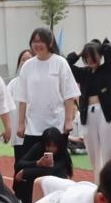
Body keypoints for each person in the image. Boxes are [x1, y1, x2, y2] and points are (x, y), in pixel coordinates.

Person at [15, 28, 79, 165]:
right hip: (33, 126)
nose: (38, 44)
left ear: (50, 42)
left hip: (56, 125)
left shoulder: (60, 62)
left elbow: (69, 95)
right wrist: (21, 124)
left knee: (56, 165)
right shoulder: (27, 66)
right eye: (35, 41)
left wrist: (68, 121)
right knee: (32, 164)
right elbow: (22, 98)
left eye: (41, 41)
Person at [76, 39, 111, 177]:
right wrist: (79, 53)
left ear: (100, 55)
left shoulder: (108, 68)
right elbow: (67, 64)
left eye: (93, 56)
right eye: (87, 57)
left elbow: (110, 50)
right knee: (92, 150)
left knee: (110, 148)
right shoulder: (83, 72)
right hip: (88, 113)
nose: (90, 59)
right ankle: (98, 181)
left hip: (105, 112)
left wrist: (99, 47)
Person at [12, 127, 72, 203]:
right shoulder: (39, 147)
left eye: (54, 146)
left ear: (59, 144)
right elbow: (20, 163)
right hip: (36, 187)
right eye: (48, 146)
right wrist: (37, 163)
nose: (51, 149)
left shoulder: (63, 154)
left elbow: (51, 171)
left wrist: (25, 172)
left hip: (55, 189)